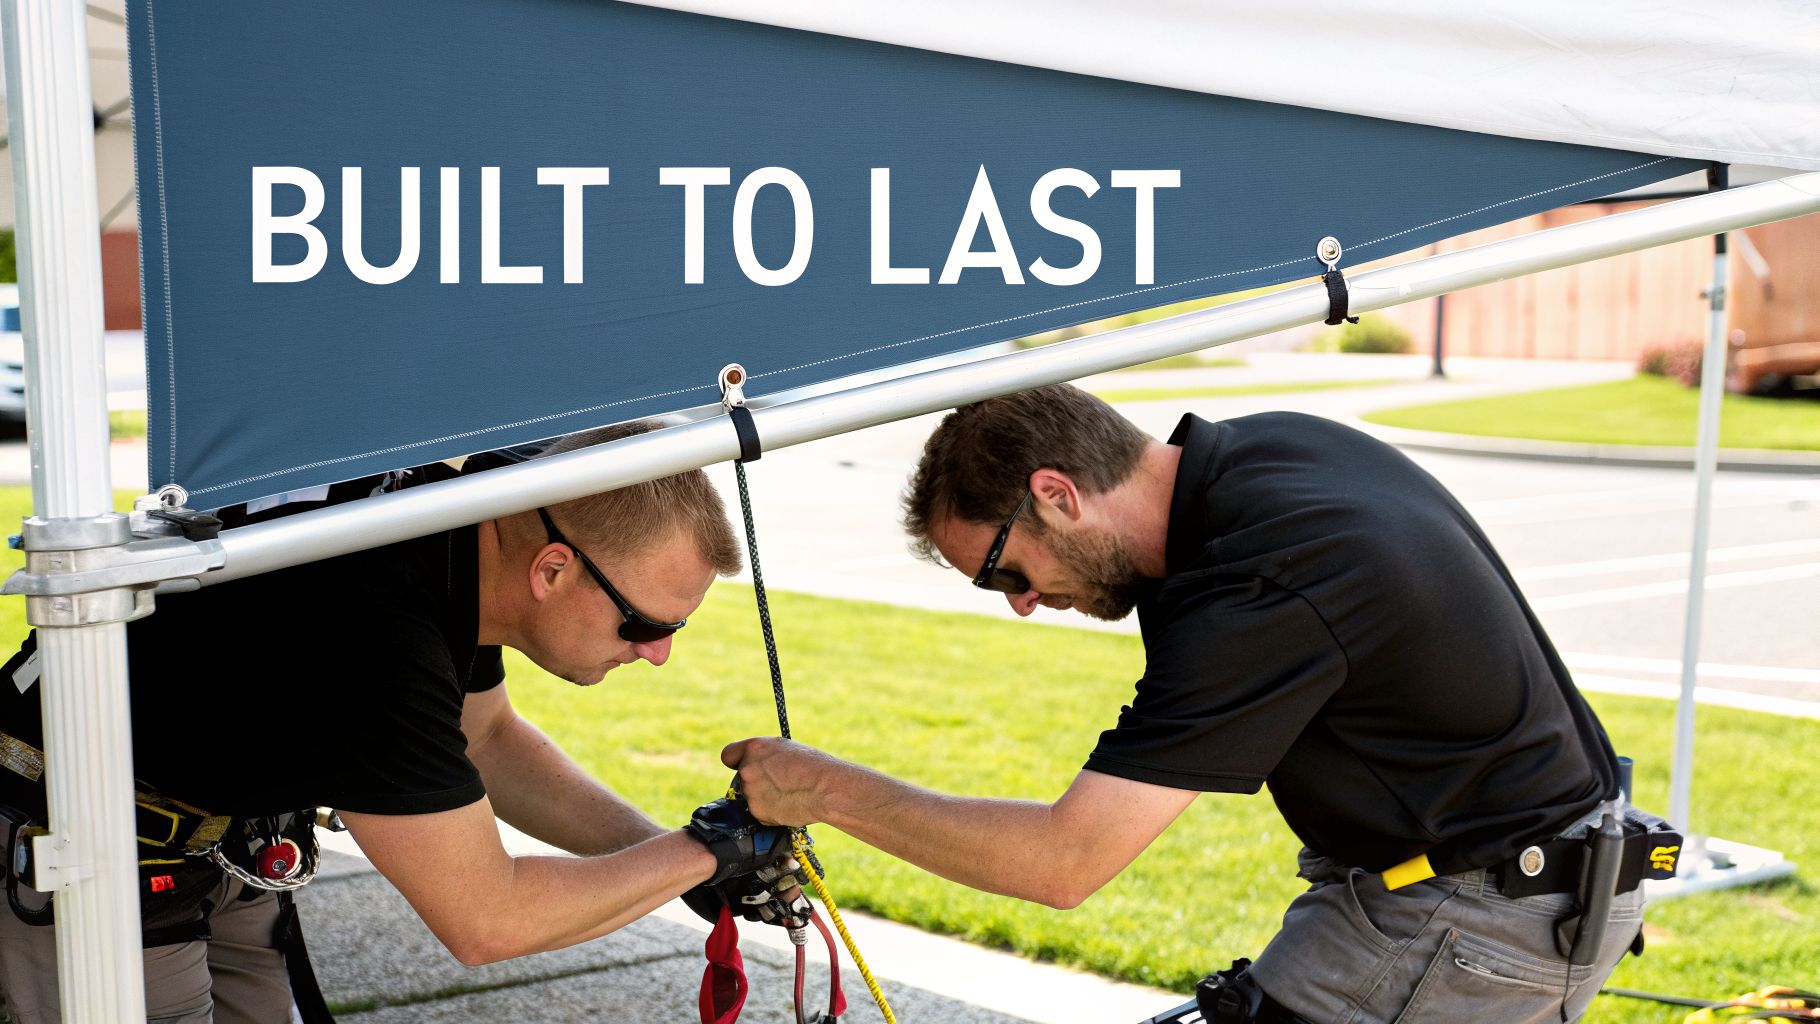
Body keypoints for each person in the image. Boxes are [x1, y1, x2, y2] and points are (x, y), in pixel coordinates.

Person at [724, 384, 1673, 1023]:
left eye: (1001, 571)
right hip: (1506, 880)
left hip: (1476, 916)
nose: (1018, 602)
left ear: (1056, 494)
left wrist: (826, 791)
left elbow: (1065, 862)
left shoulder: (1255, 585)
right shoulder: (1271, 454)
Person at [0, 422, 796, 1023]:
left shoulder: (448, 531)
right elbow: (488, 919)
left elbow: (489, 741)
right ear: (552, 570)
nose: (657, 654)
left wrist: (678, 858)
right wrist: (701, 853)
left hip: (213, 834)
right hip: (85, 840)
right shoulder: (372, 632)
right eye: (646, 625)